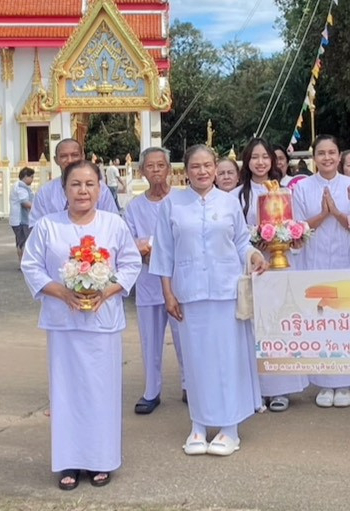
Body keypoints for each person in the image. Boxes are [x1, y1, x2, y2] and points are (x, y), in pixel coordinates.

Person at [22, 160, 142, 490]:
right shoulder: (48, 226)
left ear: (100, 189)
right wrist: (60, 291)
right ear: (64, 190)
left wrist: (108, 291)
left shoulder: (113, 224)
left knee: (101, 392)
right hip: (64, 321)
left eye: (90, 184)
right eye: (76, 184)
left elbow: (131, 264)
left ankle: (101, 459)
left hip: (102, 321)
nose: (83, 190)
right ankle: (69, 461)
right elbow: (31, 266)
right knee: (66, 391)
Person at [151, 144, 266, 457]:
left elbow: (241, 241)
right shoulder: (172, 205)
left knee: (227, 361)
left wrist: (254, 255)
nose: (202, 172)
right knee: (197, 363)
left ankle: (229, 428)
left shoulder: (228, 203)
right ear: (185, 171)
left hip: (226, 293)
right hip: (189, 294)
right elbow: (163, 252)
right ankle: (199, 426)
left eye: (207, 166)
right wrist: (168, 293)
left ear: (216, 169)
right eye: (195, 167)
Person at [293, 135, 350, 407]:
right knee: (320, 317)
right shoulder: (301, 188)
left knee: (346, 317)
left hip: (347, 256)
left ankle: (346, 382)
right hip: (314, 259)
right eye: (321, 153)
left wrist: (336, 212)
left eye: (332, 152)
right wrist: (323, 215)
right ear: (314, 158)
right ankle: (323, 383)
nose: (326, 158)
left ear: (339, 156)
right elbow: (297, 229)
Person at [237, 137, 306, 411]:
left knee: (281, 323)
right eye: (255, 157)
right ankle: (256, 389)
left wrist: (294, 239)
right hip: (253, 266)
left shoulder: (287, 191)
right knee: (255, 327)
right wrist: (254, 245)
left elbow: (297, 225)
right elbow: (236, 234)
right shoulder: (237, 195)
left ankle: (280, 389)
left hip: (281, 265)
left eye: (265, 157)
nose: (261, 162)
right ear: (247, 161)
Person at [123, 147, 185, 414]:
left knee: (185, 338)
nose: (157, 171)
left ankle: (189, 385)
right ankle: (152, 390)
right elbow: (127, 243)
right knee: (150, 340)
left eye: (161, 165)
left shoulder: (183, 201)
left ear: (169, 169)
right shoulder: (134, 207)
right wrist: (146, 252)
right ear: (142, 171)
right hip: (149, 282)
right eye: (151, 166)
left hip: (180, 281)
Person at [29, 138, 119, 225]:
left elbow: (113, 222)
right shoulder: (45, 192)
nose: (70, 160)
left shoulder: (101, 189)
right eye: (64, 156)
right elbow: (35, 227)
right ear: (56, 160)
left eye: (75, 155)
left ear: (83, 156)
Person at [9, 167, 35, 257]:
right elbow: (25, 203)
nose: (32, 179)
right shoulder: (21, 186)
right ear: (25, 177)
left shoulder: (17, 185)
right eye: (31, 177)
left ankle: (21, 263)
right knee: (25, 242)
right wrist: (38, 208)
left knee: (20, 242)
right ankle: (24, 263)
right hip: (22, 220)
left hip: (17, 220)